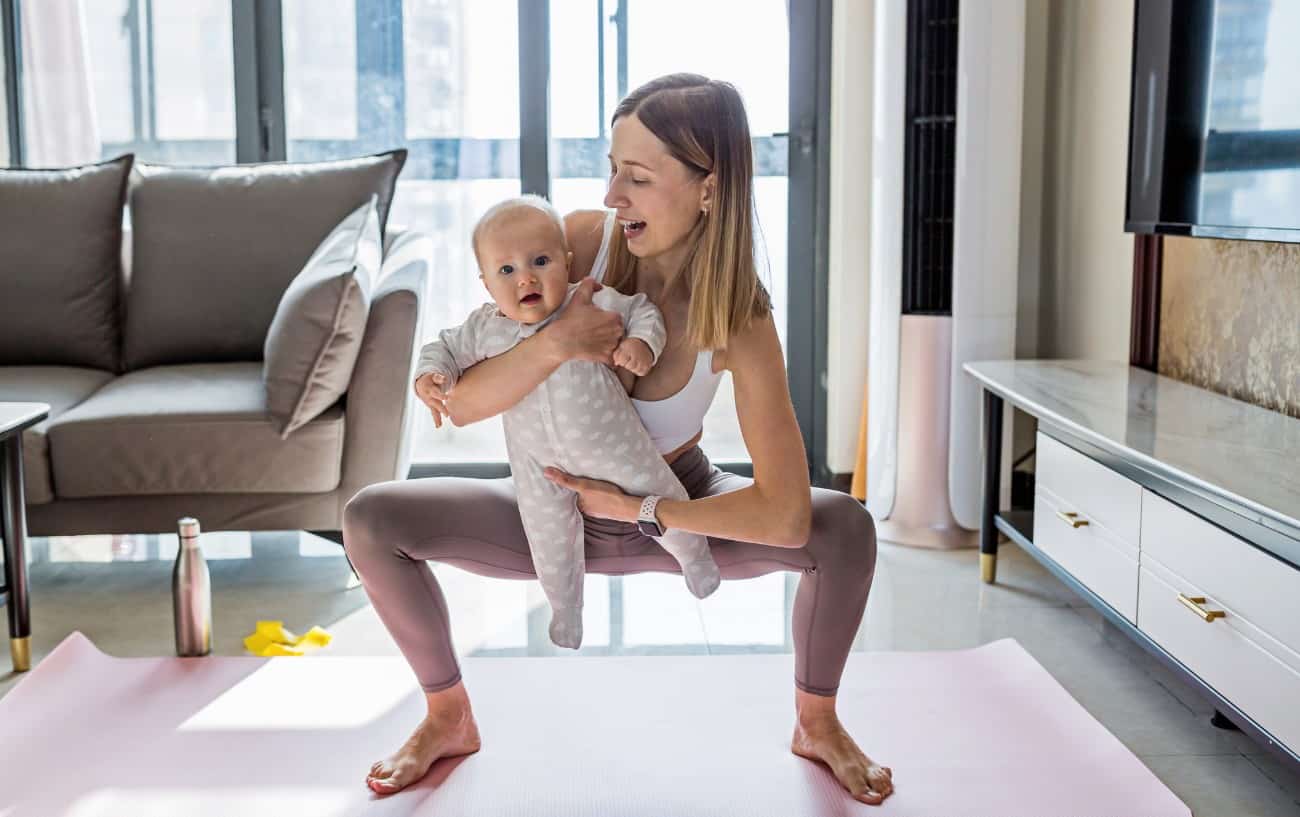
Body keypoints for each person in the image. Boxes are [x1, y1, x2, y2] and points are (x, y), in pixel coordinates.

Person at [343, 73, 894, 805]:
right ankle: (449, 716)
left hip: (675, 502)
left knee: (846, 528)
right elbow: (466, 405)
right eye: (611, 169)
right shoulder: (572, 247)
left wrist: (644, 509)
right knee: (372, 519)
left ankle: (816, 721)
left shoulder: (740, 318)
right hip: (550, 500)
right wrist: (553, 344)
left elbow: (786, 515)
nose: (611, 195)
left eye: (635, 177)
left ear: (710, 187)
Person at [412, 194, 721, 650]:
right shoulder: (485, 328)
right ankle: (566, 609)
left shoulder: (587, 299)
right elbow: (444, 348)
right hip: (539, 465)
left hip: (614, 447)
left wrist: (642, 344)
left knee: (663, 494)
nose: (527, 278)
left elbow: (641, 311)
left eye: (540, 260)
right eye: (507, 271)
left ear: (566, 262)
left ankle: (696, 561)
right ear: (485, 284)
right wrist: (430, 377)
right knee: (547, 535)